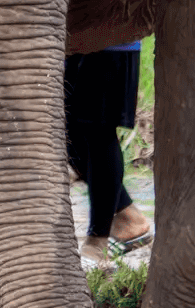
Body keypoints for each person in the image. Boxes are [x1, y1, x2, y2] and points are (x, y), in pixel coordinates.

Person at [64, 42, 153, 265]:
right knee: (67, 132)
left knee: (98, 129)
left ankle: (98, 240)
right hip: (73, 42)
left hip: (110, 40)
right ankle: (129, 218)